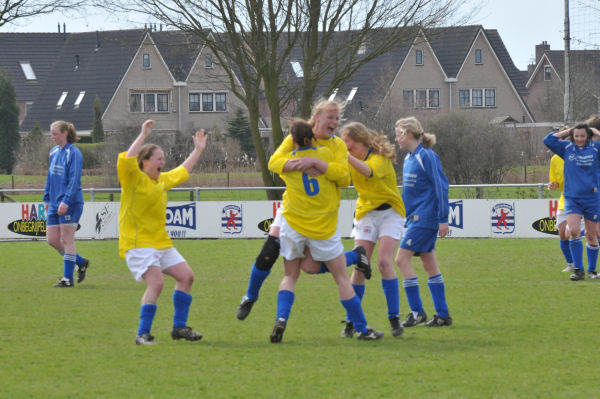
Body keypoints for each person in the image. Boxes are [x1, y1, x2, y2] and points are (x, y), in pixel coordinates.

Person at [236, 100, 371, 320]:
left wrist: (318, 164)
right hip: (292, 210)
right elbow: (274, 162)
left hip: (320, 217)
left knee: (310, 267)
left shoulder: (337, 145)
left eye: (337, 118)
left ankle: (355, 256)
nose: (335, 122)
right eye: (331, 117)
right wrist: (295, 164)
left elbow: (345, 178)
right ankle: (250, 297)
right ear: (317, 117)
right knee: (268, 253)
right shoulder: (300, 135)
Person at [268, 118, 383, 343]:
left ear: (292, 140)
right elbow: (341, 175)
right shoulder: (325, 156)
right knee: (341, 278)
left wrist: (291, 160)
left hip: (294, 226)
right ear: (312, 137)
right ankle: (361, 328)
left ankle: (281, 319)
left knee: (290, 276)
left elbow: (274, 163)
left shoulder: (288, 161)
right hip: (321, 226)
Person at [117, 119, 207, 345]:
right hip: (137, 243)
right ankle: (142, 334)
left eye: (163, 158)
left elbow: (183, 170)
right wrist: (143, 135)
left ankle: (179, 328)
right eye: (158, 158)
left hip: (160, 242)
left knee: (186, 276)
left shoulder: (161, 181)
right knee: (156, 283)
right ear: (145, 161)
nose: (163, 161)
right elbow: (128, 158)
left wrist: (198, 149)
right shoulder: (133, 179)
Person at [339, 122, 406, 338]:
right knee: (360, 266)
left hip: (390, 213)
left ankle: (394, 318)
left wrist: (345, 156)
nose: (346, 150)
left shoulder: (379, 159)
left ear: (362, 142)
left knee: (385, 262)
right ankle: (352, 321)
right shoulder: (350, 158)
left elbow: (368, 172)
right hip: (366, 212)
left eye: (349, 146)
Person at [394, 116, 452, 327]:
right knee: (429, 265)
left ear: (409, 134)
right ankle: (443, 315)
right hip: (414, 219)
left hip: (425, 219)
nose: (396, 138)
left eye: (398, 134)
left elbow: (441, 186)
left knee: (401, 259)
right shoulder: (410, 159)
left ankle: (417, 312)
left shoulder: (426, 156)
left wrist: (443, 218)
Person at [544, 124, 600, 281]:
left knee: (591, 235)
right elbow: (547, 139)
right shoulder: (566, 148)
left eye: (583, 136)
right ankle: (578, 270)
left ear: (587, 136)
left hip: (591, 198)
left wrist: (594, 131)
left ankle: (592, 270)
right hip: (572, 198)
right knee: (573, 232)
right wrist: (569, 130)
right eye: (577, 136)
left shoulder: (595, 148)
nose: (580, 139)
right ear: (573, 137)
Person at [44, 121, 90, 288]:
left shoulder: (74, 153)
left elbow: (74, 180)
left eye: (54, 133)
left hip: (70, 202)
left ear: (64, 133)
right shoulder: (53, 152)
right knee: (52, 240)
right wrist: (46, 198)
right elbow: (49, 177)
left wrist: (66, 201)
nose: (52, 137)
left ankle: (67, 279)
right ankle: (81, 261)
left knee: (67, 238)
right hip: (55, 202)